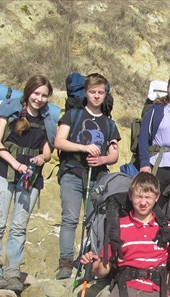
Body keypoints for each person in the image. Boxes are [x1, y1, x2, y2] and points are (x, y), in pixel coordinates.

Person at [0, 75, 56, 292]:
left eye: (44, 95)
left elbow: (48, 151)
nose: (39, 99)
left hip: (30, 178)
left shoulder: (46, 119)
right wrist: (16, 164)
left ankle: (13, 272)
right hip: (4, 172)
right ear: (28, 92)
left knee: (19, 227)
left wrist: (42, 158)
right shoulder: (10, 110)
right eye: (36, 94)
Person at [54, 73, 121, 280]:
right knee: (70, 218)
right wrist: (84, 148)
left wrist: (102, 160)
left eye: (101, 92)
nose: (97, 96)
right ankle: (65, 263)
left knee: (94, 221)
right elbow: (59, 141)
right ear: (86, 92)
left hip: (98, 177)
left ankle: (89, 262)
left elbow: (114, 154)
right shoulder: (72, 116)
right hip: (73, 172)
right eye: (93, 92)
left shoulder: (109, 124)